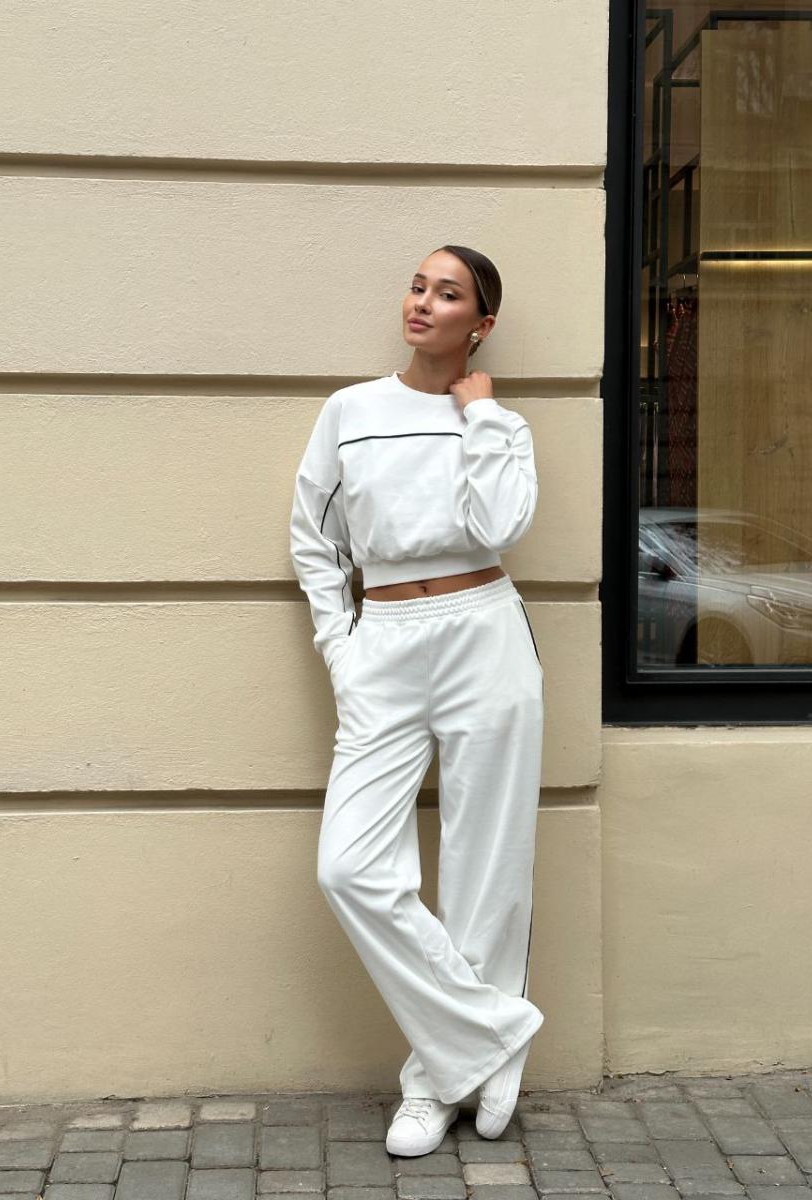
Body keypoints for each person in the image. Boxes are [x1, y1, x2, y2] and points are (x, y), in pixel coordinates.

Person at [289, 244, 544, 1157]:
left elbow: (501, 525)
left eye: (447, 294)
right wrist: (342, 650)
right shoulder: (351, 411)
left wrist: (482, 417)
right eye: (417, 286)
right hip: (385, 642)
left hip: (485, 631)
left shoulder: (499, 424)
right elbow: (313, 540)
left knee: (487, 865)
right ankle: (491, 1034)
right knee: (349, 869)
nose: (422, 303)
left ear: (480, 324)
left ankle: (436, 1082)